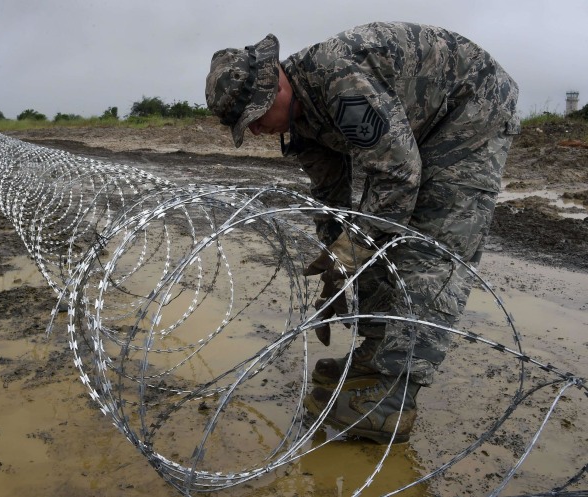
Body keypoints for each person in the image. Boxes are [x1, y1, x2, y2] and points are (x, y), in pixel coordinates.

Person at [205, 22, 519, 444]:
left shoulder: (340, 83)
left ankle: (393, 398)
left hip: (469, 108)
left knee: (430, 247)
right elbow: (334, 201)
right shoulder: (301, 123)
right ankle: (374, 352)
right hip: (412, 130)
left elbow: (397, 175)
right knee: (360, 234)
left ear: (275, 88)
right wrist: (335, 265)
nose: (256, 131)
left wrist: (350, 250)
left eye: (255, 120)